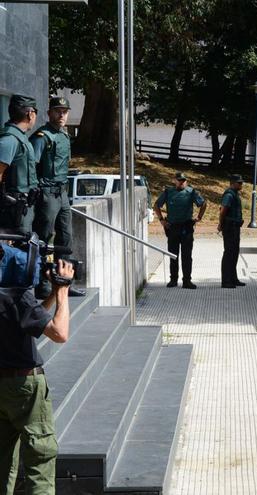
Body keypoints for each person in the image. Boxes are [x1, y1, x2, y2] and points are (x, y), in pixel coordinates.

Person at [0, 259, 74, 494]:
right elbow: (59, 333)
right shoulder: (16, 296)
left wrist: (51, 293)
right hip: (24, 387)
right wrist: (62, 290)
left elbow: (31, 318)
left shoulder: (14, 298)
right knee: (40, 459)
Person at [30, 96, 85, 299]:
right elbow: (31, 166)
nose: (62, 115)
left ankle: (64, 281)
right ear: (49, 112)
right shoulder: (42, 137)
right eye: (58, 111)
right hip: (47, 193)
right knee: (43, 238)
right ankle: (41, 282)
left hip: (62, 193)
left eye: (65, 111)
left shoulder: (63, 136)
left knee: (66, 238)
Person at [154, 172, 206, 289]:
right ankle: (173, 280)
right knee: (173, 255)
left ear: (186, 181)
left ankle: (187, 281)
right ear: (174, 181)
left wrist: (199, 217)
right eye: (179, 180)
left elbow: (203, 204)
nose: (181, 182)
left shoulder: (191, 192)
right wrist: (161, 219)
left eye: (183, 180)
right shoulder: (168, 192)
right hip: (172, 228)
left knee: (187, 256)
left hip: (187, 228)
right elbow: (157, 205)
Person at [0, 95, 40, 233]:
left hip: (24, 206)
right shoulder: (10, 139)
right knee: (19, 250)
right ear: (30, 114)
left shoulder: (20, 137)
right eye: (35, 112)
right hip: (14, 208)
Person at [218, 175, 245, 289]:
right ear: (233, 183)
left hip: (235, 227)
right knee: (229, 253)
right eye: (239, 183)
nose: (241, 185)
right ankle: (226, 281)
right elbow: (223, 210)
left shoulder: (235, 194)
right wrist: (221, 224)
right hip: (229, 227)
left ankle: (233, 278)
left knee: (234, 253)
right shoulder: (229, 195)